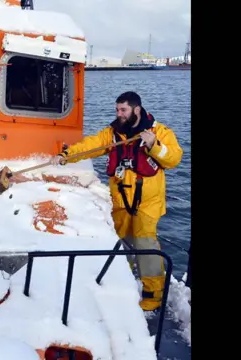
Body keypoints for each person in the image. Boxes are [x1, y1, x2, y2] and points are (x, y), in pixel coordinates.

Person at [50, 91, 183, 311]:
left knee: (145, 244)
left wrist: (154, 146)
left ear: (136, 109)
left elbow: (174, 158)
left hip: (147, 203)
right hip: (120, 201)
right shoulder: (113, 134)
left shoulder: (160, 132)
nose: (119, 114)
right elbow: (90, 145)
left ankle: (153, 294)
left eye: (123, 110)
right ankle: (123, 283)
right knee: (119, 244)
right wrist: (67, 155)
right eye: (117, 110)